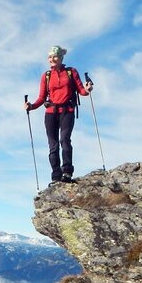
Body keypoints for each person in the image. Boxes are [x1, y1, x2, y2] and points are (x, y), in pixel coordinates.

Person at [25, 45, 93, 184]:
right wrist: (31, 106)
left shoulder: (71, 72)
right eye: (50, 57)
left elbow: (81, 90)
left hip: (67, 111)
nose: (52, 59)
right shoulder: (46, 76)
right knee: (53, 145)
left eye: (55, 56)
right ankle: (56, 176)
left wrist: (87, 89)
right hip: (51, 113)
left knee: (65, 140)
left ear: (61, 58)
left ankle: (67, 172)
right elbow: (42, 98)